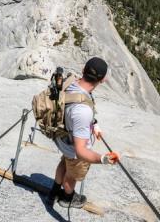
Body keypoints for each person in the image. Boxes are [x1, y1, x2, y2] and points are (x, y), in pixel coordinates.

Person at [47, 57, 120, 208]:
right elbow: (80, 152)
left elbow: (75, 111)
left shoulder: (72, 84)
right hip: (74, 147)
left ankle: (53, 192)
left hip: (64, 138)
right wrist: (103, 159)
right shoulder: (82, 111)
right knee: (72, 175)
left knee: (64, 164)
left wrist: (94, 125)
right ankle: (67, 198)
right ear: (102, 80)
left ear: (83, 71)